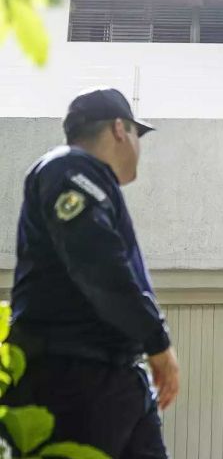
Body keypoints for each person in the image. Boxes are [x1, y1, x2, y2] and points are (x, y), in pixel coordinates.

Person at [2, 88, 180, 458]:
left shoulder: (92, 181)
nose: (138, 148)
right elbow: (97, 261)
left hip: (116, 378)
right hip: (71, 375)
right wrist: (156, 341)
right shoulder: (67, 168)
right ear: (120, 129)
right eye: (137, 135)